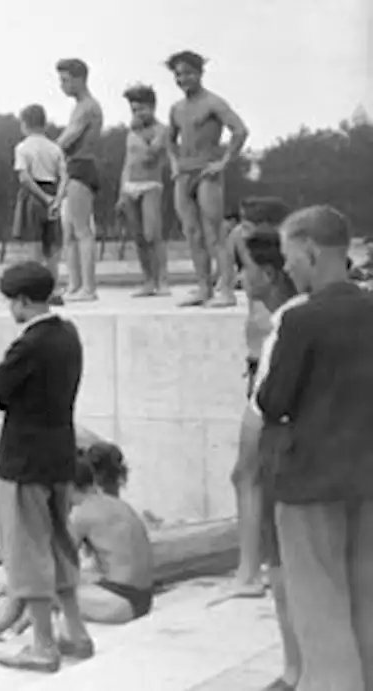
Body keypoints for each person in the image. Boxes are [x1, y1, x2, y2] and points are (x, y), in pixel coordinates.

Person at [256, 205, 373, 691]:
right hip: (366, 479)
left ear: (309, 249)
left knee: (320, 610)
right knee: (366, 602)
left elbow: (272, 400)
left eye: (289, 256)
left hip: (310, 483)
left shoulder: (302, 321)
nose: (286, 267)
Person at [0, 261, 93, 673]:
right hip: (60, 451)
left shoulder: (29, 344)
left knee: (27, 550)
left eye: (12, 303)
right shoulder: (68, 335)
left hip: (24, 458)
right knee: (60, 542)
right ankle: (75, 631)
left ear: (23, 301)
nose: (11, 311)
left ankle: (43, 644)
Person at [0, 440, 154, 655]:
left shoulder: (83, 513)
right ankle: (14, 632)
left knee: (24, 589)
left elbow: (49, 561)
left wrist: (11, 583)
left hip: (119, 603)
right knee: (44, 588)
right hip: (140, 598)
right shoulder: (115, 504)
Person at [236, 217, 304, 690]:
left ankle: (298, 670)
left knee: (290, 571)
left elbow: (273, 403)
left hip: (290, 457)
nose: (240, 279)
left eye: (245, 269)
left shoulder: (291, 324)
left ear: (271, 273)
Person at [225, 197, 294, 599]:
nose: (239, 276)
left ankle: (251, 572)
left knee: (249, 475)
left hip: (268, 380)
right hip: (259, 372)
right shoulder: (269, 300)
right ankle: (258, 567)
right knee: (251, 475)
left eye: (244, 268)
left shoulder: (284, 315)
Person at [165, 50, 250, 309]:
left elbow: (240, 130)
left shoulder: (213, 103)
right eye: (178, 74)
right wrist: (174, 164)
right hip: (184, 172)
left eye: (188, 73)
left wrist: (224, 162)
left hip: (207, 171)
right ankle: (203, 287)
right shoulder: (176, 108)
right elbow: (169, 139)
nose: (183, 79)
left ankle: (226, 288)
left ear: (200, 73)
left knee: (214, 232)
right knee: (191, 233)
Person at [54, 59, 104, 303]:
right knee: (70, 232)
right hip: (74, 167)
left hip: (83, 166)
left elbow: (68, 138)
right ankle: (75, 284)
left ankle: (89, 287)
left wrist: (46, 152)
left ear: (79, 78)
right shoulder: (79, 107)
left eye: (65, 80)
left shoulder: (87, 107)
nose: (62, 86)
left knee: (82, 230)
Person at [11, 103, 68, 305]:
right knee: (52, 246)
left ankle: (36, 291)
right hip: (53, 192)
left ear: (25, 124)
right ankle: (52, 289)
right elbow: (64, 176)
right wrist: (57, 199)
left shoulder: (23, 147)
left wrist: (43, 198)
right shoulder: (55, 148)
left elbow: (24, 177)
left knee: (34, 246)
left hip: (34, 196)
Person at [116, 84, 170, 297]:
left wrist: (141, 135)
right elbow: (127, 162)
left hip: (150, 185)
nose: (137, 114)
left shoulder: (161, 130)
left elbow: (150, 156)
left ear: (152, 107)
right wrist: (121, 192)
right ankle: (147, 280)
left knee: (152, 234)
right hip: (130, 184)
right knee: (138, 237)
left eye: (141, 109)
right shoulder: (131, 132)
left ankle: (163, 280)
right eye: (134, 110)